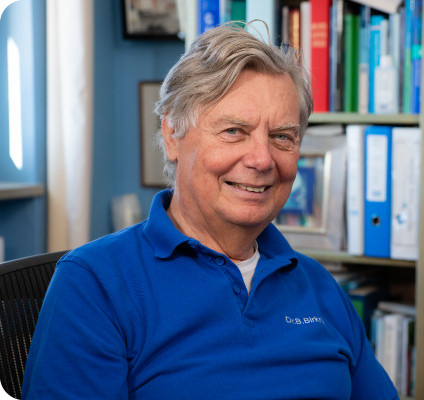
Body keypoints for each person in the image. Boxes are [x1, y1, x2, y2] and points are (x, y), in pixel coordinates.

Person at [22, 22, 400, 400]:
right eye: (234, 131)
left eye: (282, 136)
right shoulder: (95, 284)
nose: (262, 159)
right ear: (172, 134)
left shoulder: (319, 286)